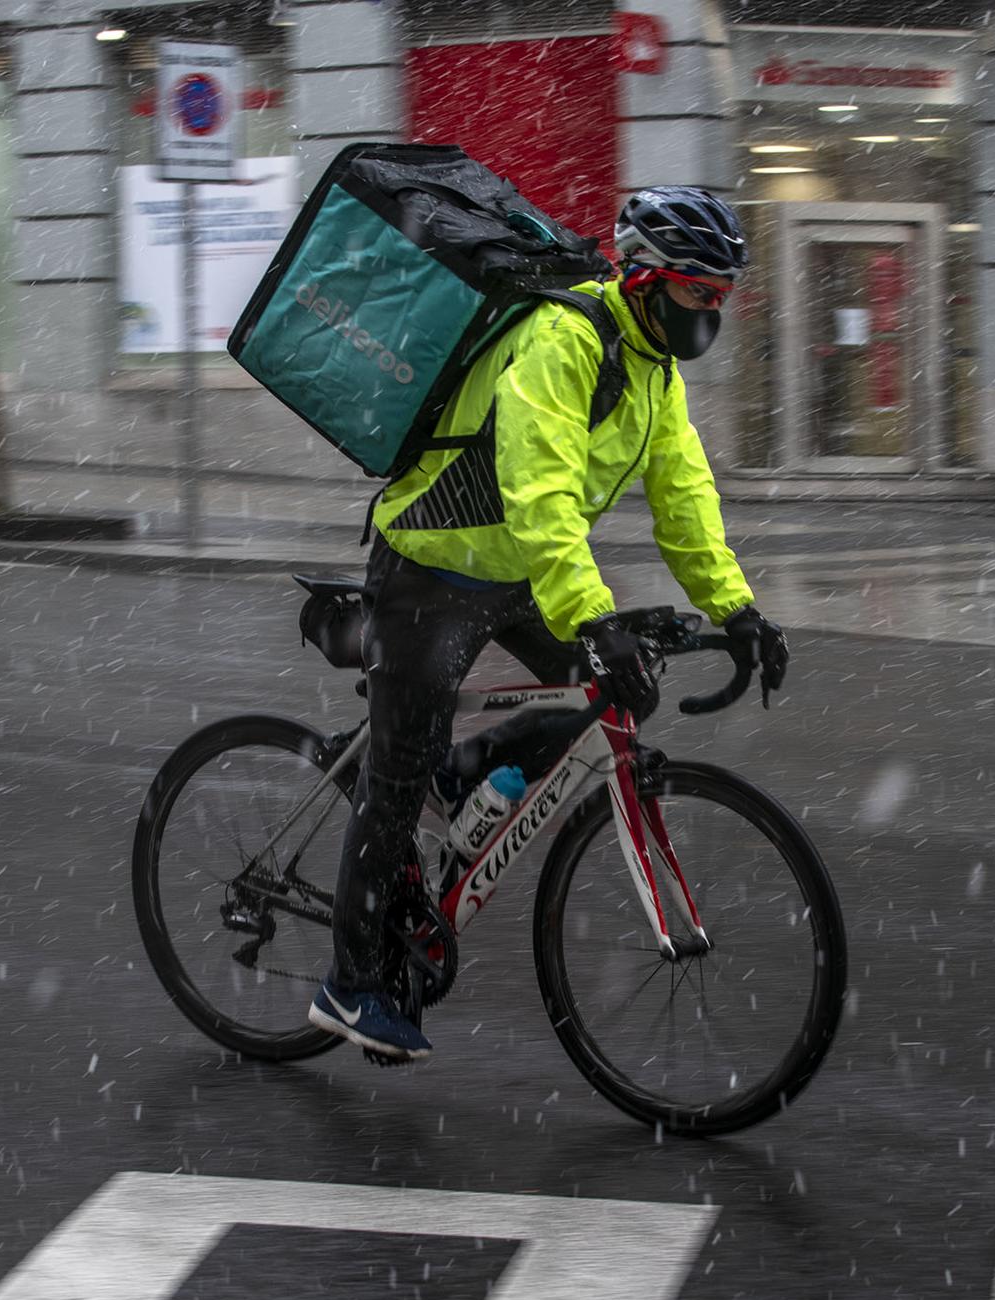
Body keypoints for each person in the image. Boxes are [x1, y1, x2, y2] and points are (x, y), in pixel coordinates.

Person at [306, 187, 791, 1063]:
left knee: (605, 698)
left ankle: (467, 772)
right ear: (644, 281)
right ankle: (349, 986)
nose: (710, 310)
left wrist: (738, 609)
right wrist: (595, 617)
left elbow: (685, 499)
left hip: (516, 568)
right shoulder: (561, 342)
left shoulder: (652, 372)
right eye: (696, 290)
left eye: (722, 295)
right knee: (396, 780)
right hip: (433, 566)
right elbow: (541, 497)